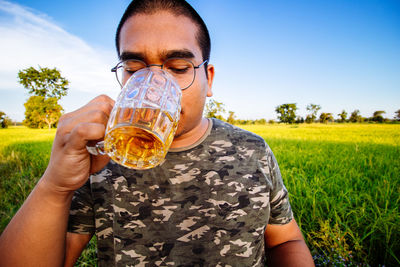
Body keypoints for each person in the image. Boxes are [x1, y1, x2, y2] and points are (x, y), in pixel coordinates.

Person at [0, 0, 314, 266]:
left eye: (178, 67)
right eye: (135, 70)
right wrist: (54, 186)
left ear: (209, 78)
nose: (152, 90)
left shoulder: (252, 150)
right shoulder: (98, 159)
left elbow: (286, 241)